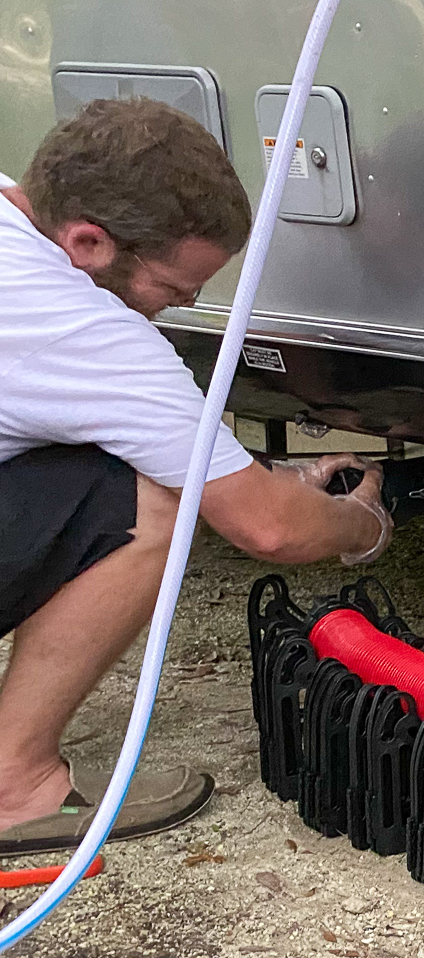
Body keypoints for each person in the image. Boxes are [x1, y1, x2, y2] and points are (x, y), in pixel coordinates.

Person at [0, 97, 391, 854]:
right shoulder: (80, 326)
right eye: (174, 290)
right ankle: (14, 787)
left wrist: (253, 469)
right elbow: (267, 528)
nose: (181, 307)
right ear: (88, 241)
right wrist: (362, 525)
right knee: (151, 499)